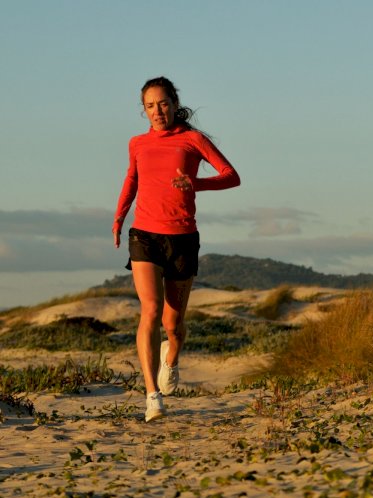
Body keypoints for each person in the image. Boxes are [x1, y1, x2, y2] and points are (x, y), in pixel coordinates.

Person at [112, 76, 240, 422]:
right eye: (150, 106)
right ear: (144, 110)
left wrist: (195, 183)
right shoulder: (137, 143)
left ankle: (172, 357)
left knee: (174, 324)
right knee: (150, 311)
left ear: (174, 103)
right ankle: (152, 396)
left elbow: (231, 175)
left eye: (163, 103)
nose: (157, 111)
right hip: (145, 236)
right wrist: (120, 216)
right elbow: (132, 179)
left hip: (182, 238)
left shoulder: (193, 140)